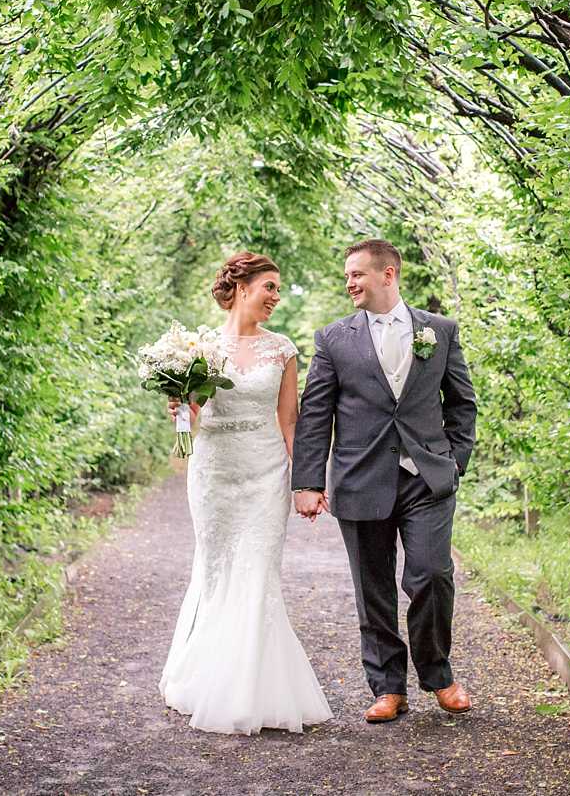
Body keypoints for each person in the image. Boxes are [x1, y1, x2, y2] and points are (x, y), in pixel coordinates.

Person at [291, 238, 478, 723]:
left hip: (426, 480)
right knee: (372, 588)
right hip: (360, 477)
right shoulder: (333, 339)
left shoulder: (439, 331)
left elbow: (461, 402)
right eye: (347, 275)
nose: (349, 283)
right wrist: (308, 481)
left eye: (357, 274)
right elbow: (316, 414)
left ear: (388, 274)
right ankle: (387, 687)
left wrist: (454, 461)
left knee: (431, 574)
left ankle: (438, 675)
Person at [158, 252, 332, 734]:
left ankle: (251, 689)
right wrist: (179, 408)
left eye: (278, 289)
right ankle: (207, 678)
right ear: (240, 288)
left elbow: (291, 421)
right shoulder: (198, 349)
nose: (276, 297)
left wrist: (308, 482)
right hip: (213, 472)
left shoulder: (283, 350)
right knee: (216, 571)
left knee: (257, 572)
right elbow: (190, 425)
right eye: (270, 287)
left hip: (265, 473)